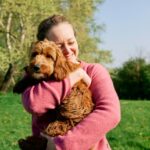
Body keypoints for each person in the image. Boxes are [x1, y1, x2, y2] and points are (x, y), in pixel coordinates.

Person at [22, 14, 121, 150]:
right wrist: (74, 76)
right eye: (59, 46)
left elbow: (110, 113)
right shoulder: (37, 74)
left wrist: (61, 145)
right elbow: (34, 104)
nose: (68, 50)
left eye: (71, 42)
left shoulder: (93, 71)